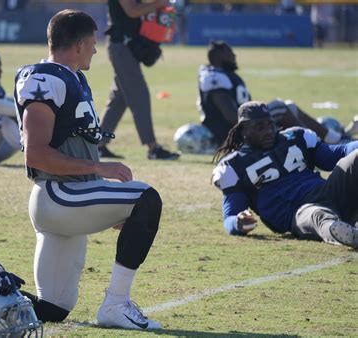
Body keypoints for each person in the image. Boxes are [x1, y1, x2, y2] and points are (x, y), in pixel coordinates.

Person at [0, 10, 164, 330]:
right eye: (92, 43)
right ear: (79, 44)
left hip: (72, 196)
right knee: (147, 198)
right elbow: (36, 155)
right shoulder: (45, 78)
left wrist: (105, 205)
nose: (95, 50)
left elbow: (73, 144)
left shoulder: (75, 78)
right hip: (59, 194)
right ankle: (117, 303)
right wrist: (98, 168)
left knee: (52, 308)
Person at [212, 101, 358, 248]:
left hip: (329, 192)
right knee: (318, 216)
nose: (268, 131)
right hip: (298, 211)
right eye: (259, 127)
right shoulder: (234, 165)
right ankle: (347, 235)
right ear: (244, 130)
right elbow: (231, 215)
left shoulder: (294, 137)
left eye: (270, 125)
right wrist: (238, 223)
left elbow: (337, 154)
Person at [198, 40, 344, 148]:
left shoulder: (224, 75)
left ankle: (333, 139)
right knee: (279, 107)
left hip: (243, 127)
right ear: (219, 57)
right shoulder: (214, 78)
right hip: (231, 132)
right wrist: (257, 123)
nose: (234, 55)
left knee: (289, 106)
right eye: (230, 53)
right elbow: (230, 116)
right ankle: (315, 147)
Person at [97, 0, 180, 160]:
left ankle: (99, 144)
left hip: (128, 46)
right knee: (139, 95)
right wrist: (159, 3)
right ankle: (153, 148)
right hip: (122, 46)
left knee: (119, 99)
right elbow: (132, 11)